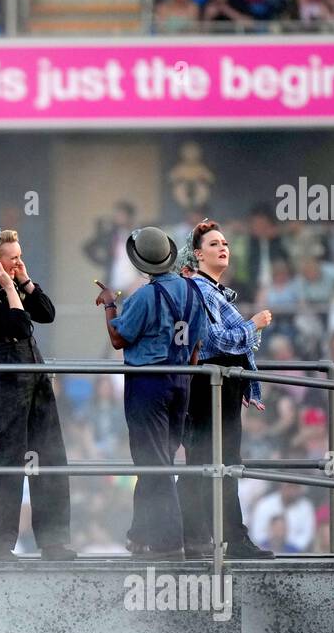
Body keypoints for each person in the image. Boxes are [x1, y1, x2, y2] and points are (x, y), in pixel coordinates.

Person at [96, 226, 207, 560]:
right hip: (181, 380)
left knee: (153, 462)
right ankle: (140, 534)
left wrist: (109, 305)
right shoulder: (193, 292)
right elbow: (196, 346)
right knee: (160, 459)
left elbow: (119, 339)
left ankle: (170, 542)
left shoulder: (144, 296)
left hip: (147, 384)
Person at [0, 226, 76, 561]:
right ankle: (0, 545)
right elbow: (19, 325)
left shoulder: (17, 282)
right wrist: (9, 287)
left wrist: (25, 282)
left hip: (34, 373)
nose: (19, 262)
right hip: (5, 378)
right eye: (13, 258)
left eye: (20, 256)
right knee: (8, 459)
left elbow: (46, 314)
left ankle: (53, 540)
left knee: (50, 454)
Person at [176, 221, 275, 559]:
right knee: (215, 463)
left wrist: (245, 381)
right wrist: (253, 325)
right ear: (199, 254)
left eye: (226, 243)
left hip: (222, 386)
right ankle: (226, 539)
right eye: (215, 243)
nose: (223, 248)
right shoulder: (200, 290)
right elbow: (214, 341)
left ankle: (200, 536)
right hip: (210, 387)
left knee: (213, 463)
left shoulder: (214, 290)